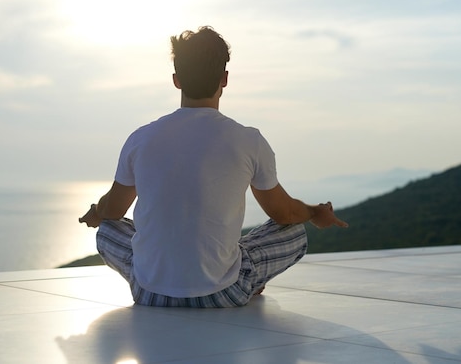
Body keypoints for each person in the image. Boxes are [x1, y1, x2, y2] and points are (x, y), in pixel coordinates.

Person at [79, 26, 348, 307]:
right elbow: (284, 213)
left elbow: (113, 211)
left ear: (176, 80)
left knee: (108, 229)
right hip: (223, 295)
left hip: (149, 294)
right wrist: (315, 212)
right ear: (225, 79)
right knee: (294, 231)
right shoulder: (248, 140)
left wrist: (98, 213)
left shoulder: (141, 138)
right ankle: (246, 280)